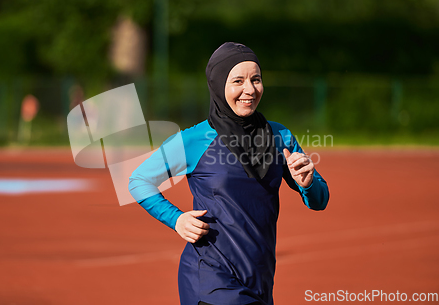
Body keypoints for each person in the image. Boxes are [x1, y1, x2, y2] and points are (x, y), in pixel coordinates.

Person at [129, 42, 329, 305]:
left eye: (256, 80)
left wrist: (308, 182)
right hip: (210, 279)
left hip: (260, 278)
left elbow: (320, 200)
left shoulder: (280, 136)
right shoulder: (195, 139)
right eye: (238, 81)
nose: (249, 89)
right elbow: (139, 180)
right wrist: (176, 219)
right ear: (218, 84)